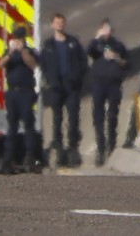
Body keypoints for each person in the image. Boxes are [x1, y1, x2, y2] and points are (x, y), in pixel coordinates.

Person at [38, 11, 87, 167]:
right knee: (57, 118)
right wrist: (49, 80)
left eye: (61, 22)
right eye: (57, 22)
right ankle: (58, 147)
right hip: (56, 86)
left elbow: (83, 61)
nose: (59, 24)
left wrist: (78, 77)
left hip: (71, 85)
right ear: (52, 25)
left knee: (73, 118)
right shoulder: (48, 45)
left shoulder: (73, 42)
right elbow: (43, 64)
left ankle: (73, 147)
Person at [85, 20, 129, 167]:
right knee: (98, 116)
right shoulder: (96, 45)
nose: (106, 32)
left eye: (108, 29)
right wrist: (96, 38)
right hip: (98, 83)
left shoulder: (118, 45)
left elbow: (127, 63)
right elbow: (88, 51)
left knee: (112, 115)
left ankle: (112, 145)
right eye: (104, 29)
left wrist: (116, 58)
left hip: (114, 84)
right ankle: (101, 148)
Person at [0, 25, 41, 174]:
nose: (17, 40)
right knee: (12, 127)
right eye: (16, 37)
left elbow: (33, 64)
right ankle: (8, 161)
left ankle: (30, 159)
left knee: (29, 126)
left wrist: (22, 50)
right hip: (12, 93)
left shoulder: (30, 51)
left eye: (20, 38)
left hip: (26, 92)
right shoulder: (9, 51)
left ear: (24, 38)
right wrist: (11, 52)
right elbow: (1, 64)